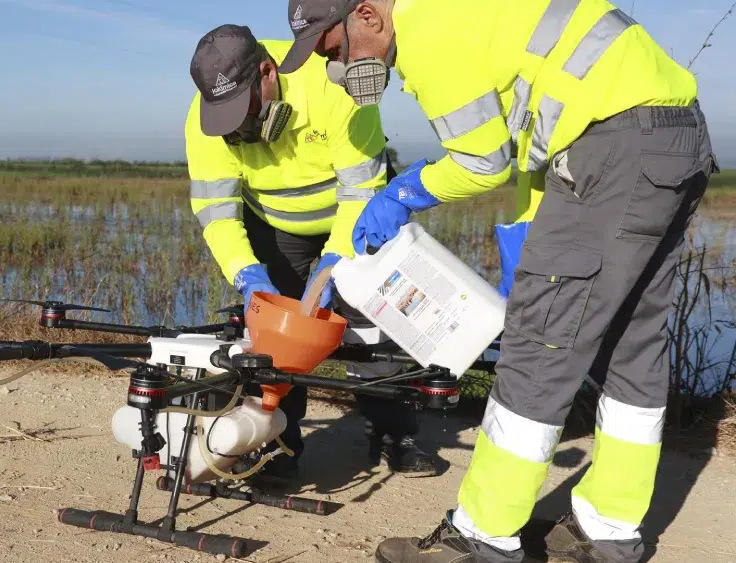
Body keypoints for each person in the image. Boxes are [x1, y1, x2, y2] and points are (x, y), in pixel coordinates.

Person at [280, 1, 719, 562]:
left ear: (367, 14)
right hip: (670, 138)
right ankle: (608, 527)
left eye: (334, 49)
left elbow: (482, 161)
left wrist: (403, 193)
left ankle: (480, 538)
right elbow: (540, 127)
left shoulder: (427, 29)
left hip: (610, 146)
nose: (337, 68)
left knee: (539, 348)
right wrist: (526, 231)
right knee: (631, 347)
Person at [185, 23, 437, 484]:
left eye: (247, 113)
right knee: (276, 338)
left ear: (267, 72)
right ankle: (278, 443)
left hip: (357, 216)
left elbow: (360, 191)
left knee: (376, 323)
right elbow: (215, 210)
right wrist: (246, 275)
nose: (240, 129)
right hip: (276, 225)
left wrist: (335, 260)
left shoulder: (332, 83)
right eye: (229, 123)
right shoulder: (208, 121)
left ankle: (393, 433)